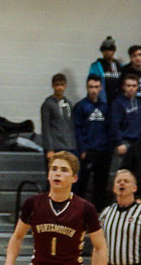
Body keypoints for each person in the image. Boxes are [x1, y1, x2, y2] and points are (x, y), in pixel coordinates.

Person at [73, 74, 113, 210]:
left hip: (104, 151)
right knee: (82, 183)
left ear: (101, 88)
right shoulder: (81, 106)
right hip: (88, 151)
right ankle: (78, 211)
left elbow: (110, 127)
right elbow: (77, 129)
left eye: (96, 87)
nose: (94, 90)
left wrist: (109, 148)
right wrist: (82, 149)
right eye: (91, 87)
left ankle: (98, 213)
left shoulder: (106, 107)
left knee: (101, 185)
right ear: (87, 87)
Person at [41, 73, 77, 158]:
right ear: (53, 86)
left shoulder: (69, 103)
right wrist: (49, 148)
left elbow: (71, 125)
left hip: (69, 146)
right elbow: (45, 128)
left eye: (62, 85)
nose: (60, 87)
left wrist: (73, 145)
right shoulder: (47, 104)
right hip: (55, 147)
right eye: (57, 85)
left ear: (65, 85)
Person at [110, 73, 141, 157]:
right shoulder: (118, 103)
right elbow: (115, 124)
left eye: (134, 86)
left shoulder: (138, 103)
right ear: (124, 87)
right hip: (124, 143)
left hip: (137, 142)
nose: (131, 88)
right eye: (128, 86)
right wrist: (119, 142)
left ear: (137, 87)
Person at [88, 36, 122, 103]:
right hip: (102, 100)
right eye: (105, 50)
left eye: (110, 50)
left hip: (117, 100)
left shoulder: (120, 66)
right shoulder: (96, 66)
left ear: (114, 51)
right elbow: (91, 83)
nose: (107, 52)